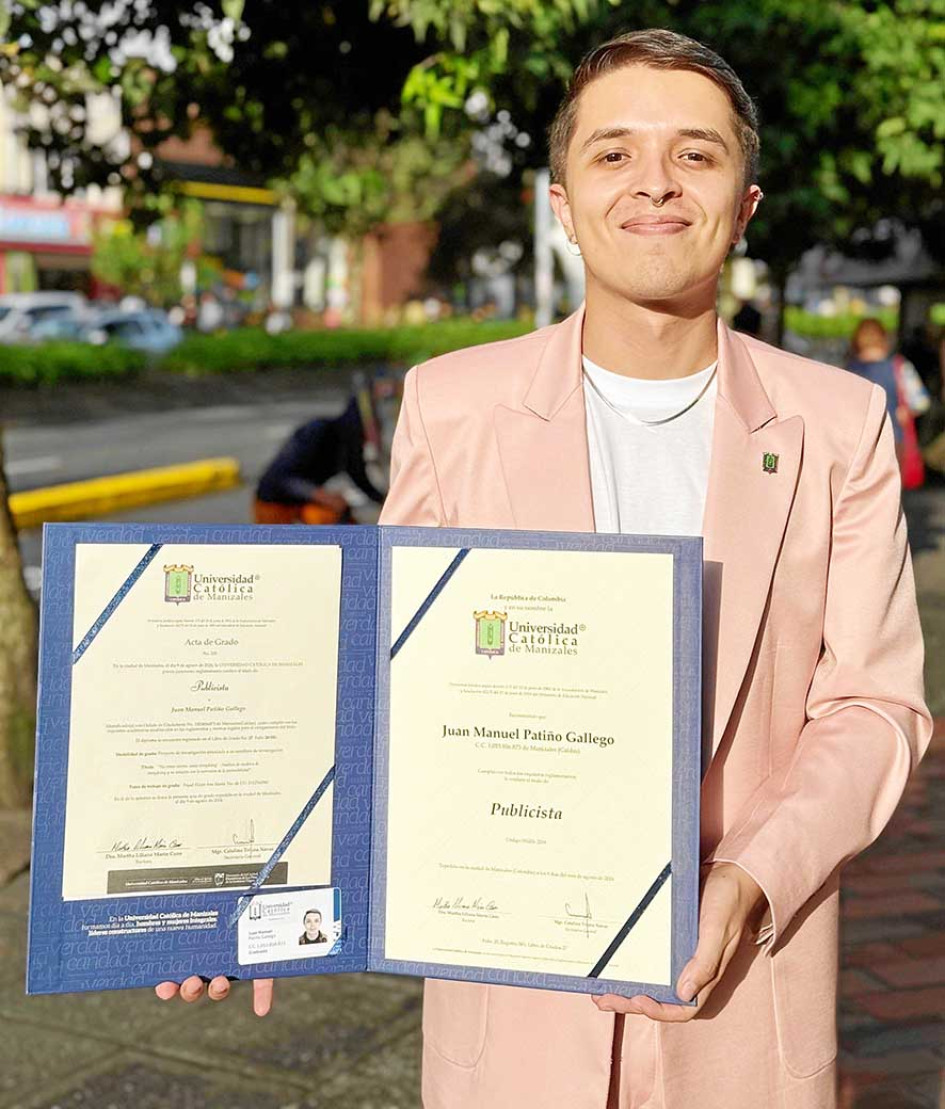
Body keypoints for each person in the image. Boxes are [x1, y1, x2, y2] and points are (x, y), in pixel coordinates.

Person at [156, 30, 931, 1109]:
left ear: (745, 203)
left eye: (695, 154)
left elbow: (876, 706)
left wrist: (747, 877)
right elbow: (384, 680)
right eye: (613, 153)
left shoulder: (838, 423)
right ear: (562, 202)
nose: (654, 181)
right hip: (510, 1003)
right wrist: (252, 883)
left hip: (744, 998)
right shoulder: (452, 405)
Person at [253, 391, 386, 525]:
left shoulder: (351, 445)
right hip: (273, 503)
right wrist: (323, 497)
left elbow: (359, 478)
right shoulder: (318, 430)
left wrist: (384, 500)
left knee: (342, 519)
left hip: (304, 503)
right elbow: (283, 477)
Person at [846, 317, 930, 466]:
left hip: (855, 442)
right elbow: (921, 402)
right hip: (893, 439)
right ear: (884, 339)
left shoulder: (848, 370)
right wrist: (905, 412)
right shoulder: (899, 367)